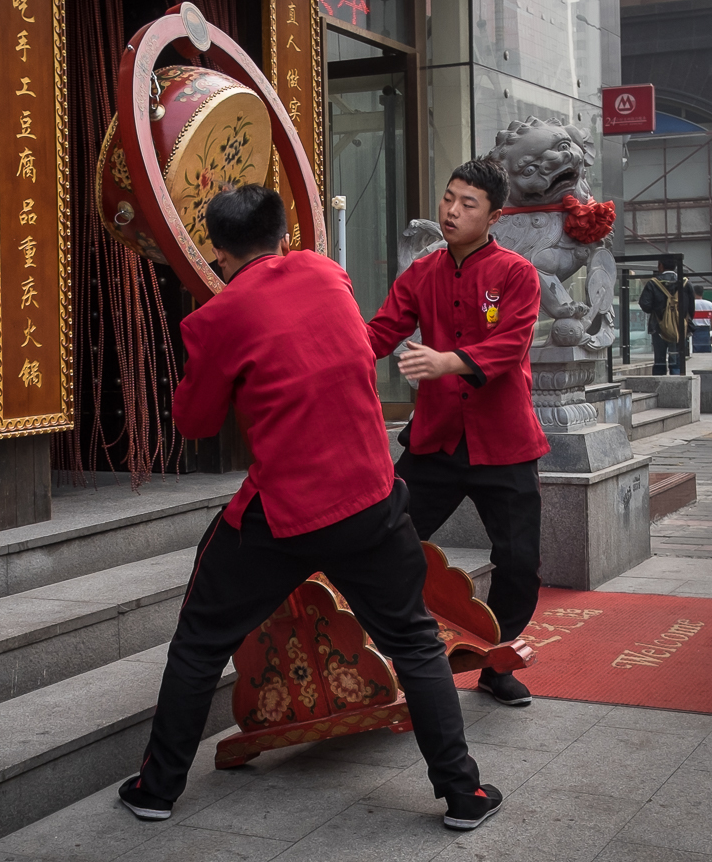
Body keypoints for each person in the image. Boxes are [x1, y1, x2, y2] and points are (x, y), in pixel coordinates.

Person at [118, 184, 502, 831]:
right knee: (412, 641)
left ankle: (156, 791)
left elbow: (195, 420)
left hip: (284, 511)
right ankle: (464, 796)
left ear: (216, 249)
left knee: (198, 645)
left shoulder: (219, 314)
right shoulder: (327, 273)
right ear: (283, 233)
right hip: (371, 500)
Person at [366, 159, 547, 707]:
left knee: (519, 563)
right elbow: (378, 333)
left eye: (468, 204)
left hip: (505, 442)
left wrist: (449, 361)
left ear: (494, 215)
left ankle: (498, 664)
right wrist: (324, 345)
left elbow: (510, 345)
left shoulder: (518, 273)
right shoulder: (421, 273)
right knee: (381, 540)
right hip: (436, 439)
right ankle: (385, 649)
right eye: (448, 198)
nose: (452, 211)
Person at [639, 260, 693, 375]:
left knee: (659, 359)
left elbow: (645, 304)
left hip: (658, 326)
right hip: (680, 327)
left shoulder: (653, 283)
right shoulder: (685, 283)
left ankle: (659, 382)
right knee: (677, 358)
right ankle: (677, 380)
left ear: (661, 266)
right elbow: (691, 307)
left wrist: (658, 312)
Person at [693, 284, 712, 356]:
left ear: (693, 292)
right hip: (706, 330)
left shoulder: (691, 304)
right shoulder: (709, 304)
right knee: (706, 353)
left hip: (693, 330)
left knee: (694, 352)